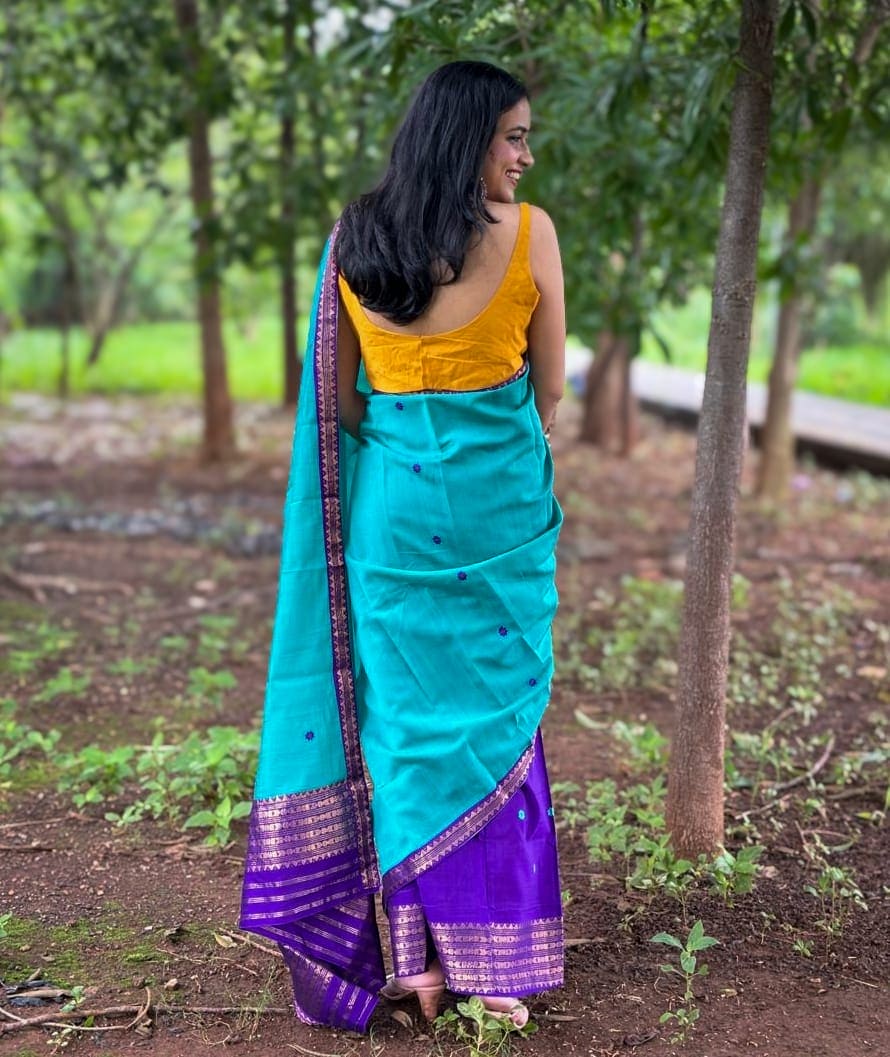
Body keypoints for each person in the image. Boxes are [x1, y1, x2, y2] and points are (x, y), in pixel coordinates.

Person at [239, 60, 565, 1034]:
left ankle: (416, 962)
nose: (525, 155)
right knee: (498, 724)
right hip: (500, 510)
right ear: (470, 138)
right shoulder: (531, 234)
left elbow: (340, 399)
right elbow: (548, 390)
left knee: (403, 730)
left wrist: (408, 434)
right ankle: (495, 970)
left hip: (392, 512)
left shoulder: (355, 238)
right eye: (513, 136)